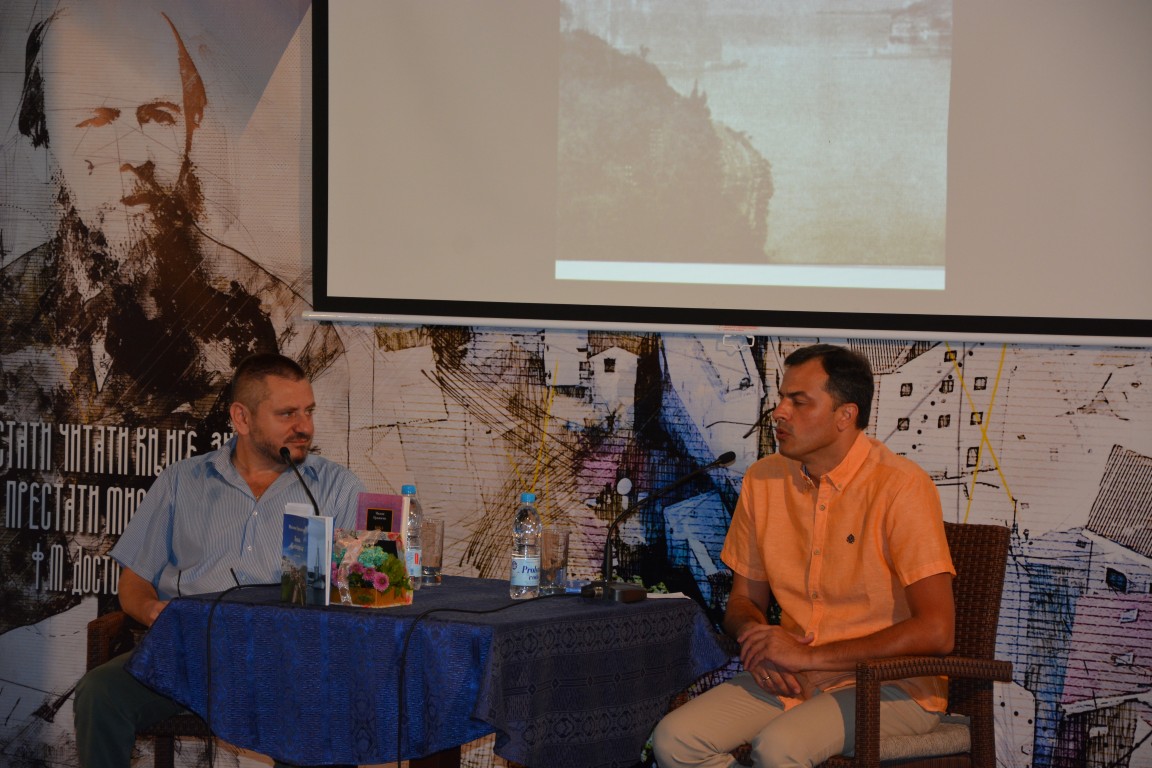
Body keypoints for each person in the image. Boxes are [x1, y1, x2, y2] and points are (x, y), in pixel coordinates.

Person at [652, 344, 955, 767]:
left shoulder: (901, 486)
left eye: (798, 401)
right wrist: (759, 642)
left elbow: (938, 632)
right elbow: (743, 601)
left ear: (845, 415)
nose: (779, 412)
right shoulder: (763, 479)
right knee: (675, 740)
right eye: (781, 398)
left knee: (779, 747)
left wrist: (808, 656)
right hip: (793, 677)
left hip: (891, 686)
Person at [73, 353, 365, 768]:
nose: (305, 426)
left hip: (287, 663)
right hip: (188, 654)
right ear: (242, 418)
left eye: (308, 411)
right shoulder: (181, 481)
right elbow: (134, 580)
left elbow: (358, 595)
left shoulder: (338, 488)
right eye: (287, 414)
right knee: (100, 693)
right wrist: (152, 610)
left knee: (323, 708)